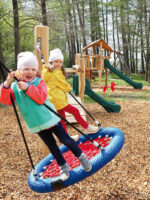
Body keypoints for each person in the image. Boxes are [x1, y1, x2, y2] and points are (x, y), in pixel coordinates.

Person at [0, 51, 92, 181]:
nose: (30, 72)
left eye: (33, 69)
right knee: (52, 146)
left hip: (51, 119)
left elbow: (41, 98)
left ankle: (81, 157)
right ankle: (64, 167)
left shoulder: (39, 82)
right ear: (19, 71)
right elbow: (6, 100)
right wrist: (7, 84)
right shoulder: (15, 87)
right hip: (36, 124)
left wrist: (28, 88)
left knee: (65, 139)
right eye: (26, 69)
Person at [42, 48, 99, 141]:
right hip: (57, 99)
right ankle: (87, 127)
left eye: (60, 62)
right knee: (75, 111)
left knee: (62, 118)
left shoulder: (47, 72)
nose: (59, 64)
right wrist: (68, 88)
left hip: (53, 99)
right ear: (51, 61)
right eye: (56, 61)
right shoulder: (55, 73)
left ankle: (65, 137)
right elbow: (62, 83)